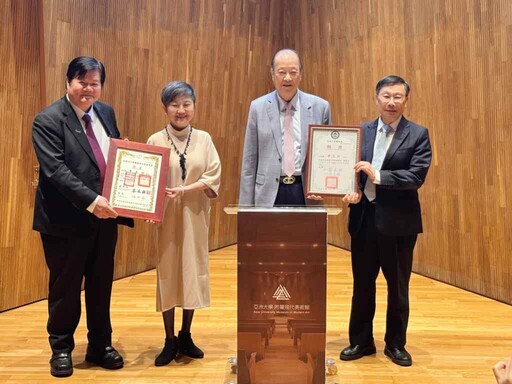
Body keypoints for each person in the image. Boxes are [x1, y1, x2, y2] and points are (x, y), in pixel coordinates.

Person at [32, 56, 134, 377]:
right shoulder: (48, 120)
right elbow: (56, 171)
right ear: (68, 83)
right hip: (66, 222)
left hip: (105, 220)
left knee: (101, 284)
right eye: (82, 82)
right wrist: (92, 201)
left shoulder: (105, 113)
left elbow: (108, 154)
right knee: (66, 287)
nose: (88, 89)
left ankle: (100, 344)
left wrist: (126, 155)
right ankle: (61, 348)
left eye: (95, 83)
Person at [339, 75, 432, 367]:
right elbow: (348, 170)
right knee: (362, 285)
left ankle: (395, 344)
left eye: (398, 97)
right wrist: (351, 190)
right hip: (364, 220)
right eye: (386, 96)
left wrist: (378, 176)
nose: (391, 102)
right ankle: (361, 341)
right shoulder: (360, 131)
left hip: (399, 225)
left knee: (398, 287)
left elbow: (415, 176)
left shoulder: (418, 134)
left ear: (406, 100)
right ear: (376, 98)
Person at [146, 81, 221, 366]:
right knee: (168, 273)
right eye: (175, 104)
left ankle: (186, 335)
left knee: (192, 270)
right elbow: (148, 180)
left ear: (194, 106)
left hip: (195, 216)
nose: (181, 110)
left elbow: (213, 177)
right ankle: (169, 340)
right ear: (165, 107)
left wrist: (185, 190)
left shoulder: (204, 139)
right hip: (166, 218)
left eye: (186, 104)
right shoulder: (155, 140)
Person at [239, 48, 331, 207]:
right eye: (282, 72)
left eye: (293, 72)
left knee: (305, 233)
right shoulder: (257, 107)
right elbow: (249, 161)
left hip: (306, 192)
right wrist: (245, 208)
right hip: (268, 192)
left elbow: (327, 155)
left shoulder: (320, 107)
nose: (287, 78)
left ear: (301, 74)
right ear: (273, 74)